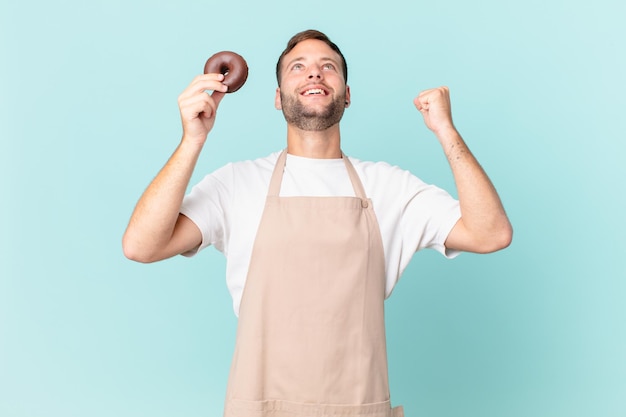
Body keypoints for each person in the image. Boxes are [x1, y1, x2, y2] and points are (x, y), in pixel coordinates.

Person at [123, 29, 512, 417]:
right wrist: (192, 140)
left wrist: (446, 131)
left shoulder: (389, 186)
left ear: (346, 94)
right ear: (278, 98)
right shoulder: (236, 183)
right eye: (298, 67)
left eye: (328, 67)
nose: (314, 74)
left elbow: (490, 233)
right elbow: (141, 245)